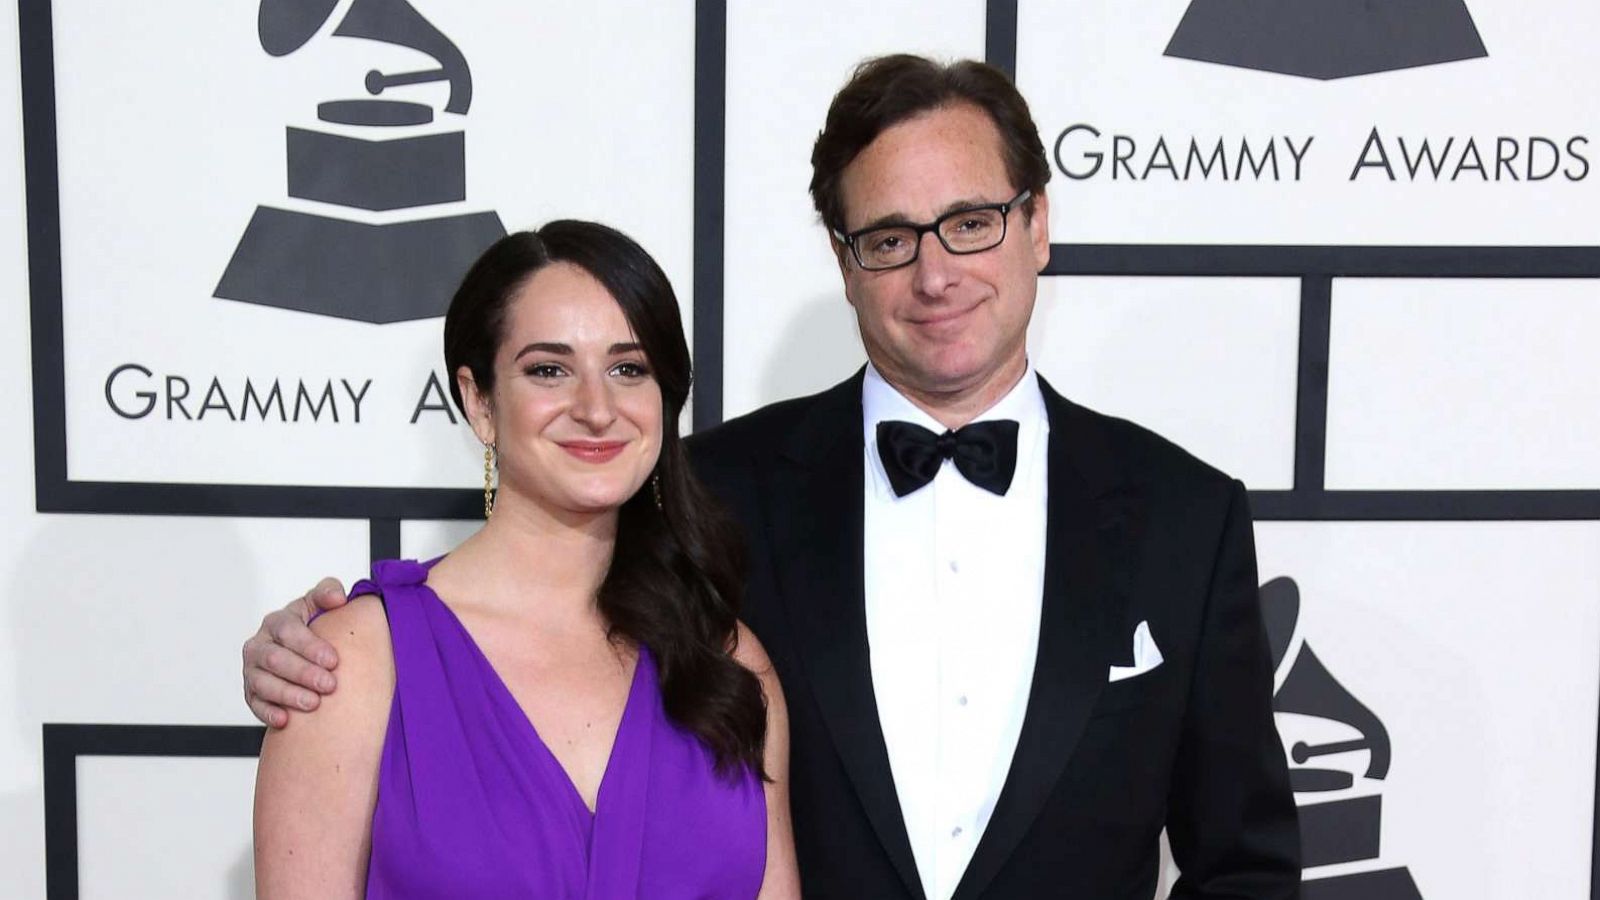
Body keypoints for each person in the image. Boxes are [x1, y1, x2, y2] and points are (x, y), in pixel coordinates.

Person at [245, 57, 1300, 899]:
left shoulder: (1182, 517)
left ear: (1037, 226)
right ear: (843, 262)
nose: (935, 274)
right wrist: (311, 650)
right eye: (888, 238)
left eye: (971, 222)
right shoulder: (706, 490)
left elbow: (1242, 867)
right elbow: (524, 631)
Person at [252, 221, 800, 898]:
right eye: (549, 369)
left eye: (628, 369)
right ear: (480, 402)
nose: (597, 409)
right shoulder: (351, 664)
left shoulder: (729, 666)